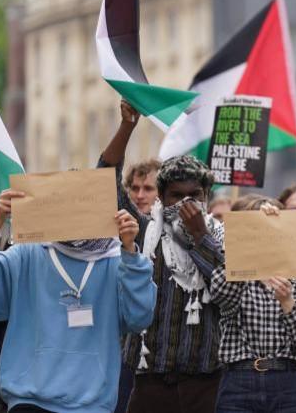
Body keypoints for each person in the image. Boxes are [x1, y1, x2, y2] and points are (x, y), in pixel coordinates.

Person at [0, 188, 156, 413]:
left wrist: (130, 251)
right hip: (29, 400)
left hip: (92, 404)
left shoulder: (119, 263)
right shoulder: (26, 253)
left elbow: (139, 318)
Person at [121, 155, 226, 413]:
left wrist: (200, 236)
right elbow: (111, 187)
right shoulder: (146, 231)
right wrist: (127, 126)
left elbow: (228, 291)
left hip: (204, 382)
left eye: (195, 195)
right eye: (176, 196)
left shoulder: (222, 236)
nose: (186, 204)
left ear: (206, 196)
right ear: (163, 197)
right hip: (150, 379)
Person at [210, 196, 296, 413]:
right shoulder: (235, 274)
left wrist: (288, 303)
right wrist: (252, 227)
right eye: (257, 230)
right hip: (239, 381)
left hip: (287, 382)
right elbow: (222, 295)